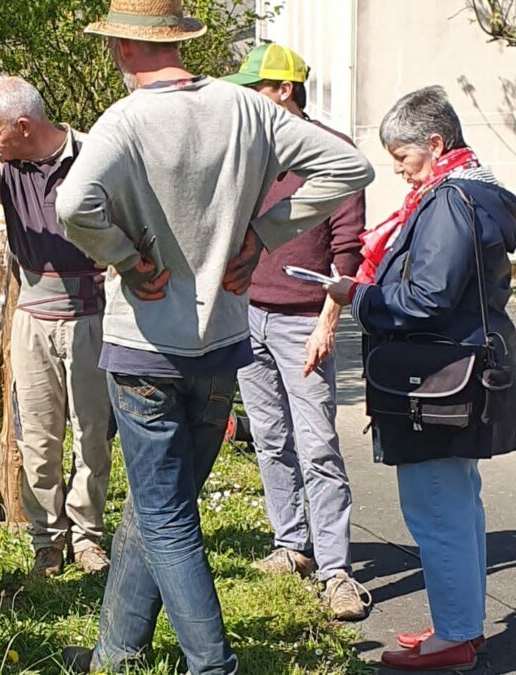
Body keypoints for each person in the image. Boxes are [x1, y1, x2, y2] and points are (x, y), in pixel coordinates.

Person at [54, 0, 375, 671]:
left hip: (145, 346)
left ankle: (214, 665)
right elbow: (350, 170)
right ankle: (117, 653)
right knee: (155, 508)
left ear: (121, 47)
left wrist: (123, 256)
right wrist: (262, 234)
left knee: (166, 516)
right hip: (222, 344)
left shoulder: (125, 120)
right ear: (180, 40)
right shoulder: (247, 108)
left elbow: (71, 203)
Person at [325, 86, 516, 671]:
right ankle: (461, 623)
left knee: (437, 507)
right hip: (460, 373)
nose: (401, 173)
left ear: (435, 144)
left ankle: (456, 635)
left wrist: (361, 298)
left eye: (403, 158)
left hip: (438, 377)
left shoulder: (449, 200)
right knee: (456, 503)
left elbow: (428, 297)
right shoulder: (473, 193)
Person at [0, 75, 115, 577]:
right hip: (32, 314)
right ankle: (47, 540)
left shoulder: (95, 155)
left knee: (92, 433)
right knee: (38, 435)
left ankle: (89, 536)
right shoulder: (3, 168)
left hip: (94, 311)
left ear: (25, 126)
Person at [223, 43, 370, 620]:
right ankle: (292, 547)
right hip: (247, 316)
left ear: (284, 90)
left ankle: (335, 570)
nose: (245, 101)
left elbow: (348, 251)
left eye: (253, 89)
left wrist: (327, 324)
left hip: (303, 319)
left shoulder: (333, 154)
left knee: (317, 446)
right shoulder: (252, 155)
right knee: (269, 438)